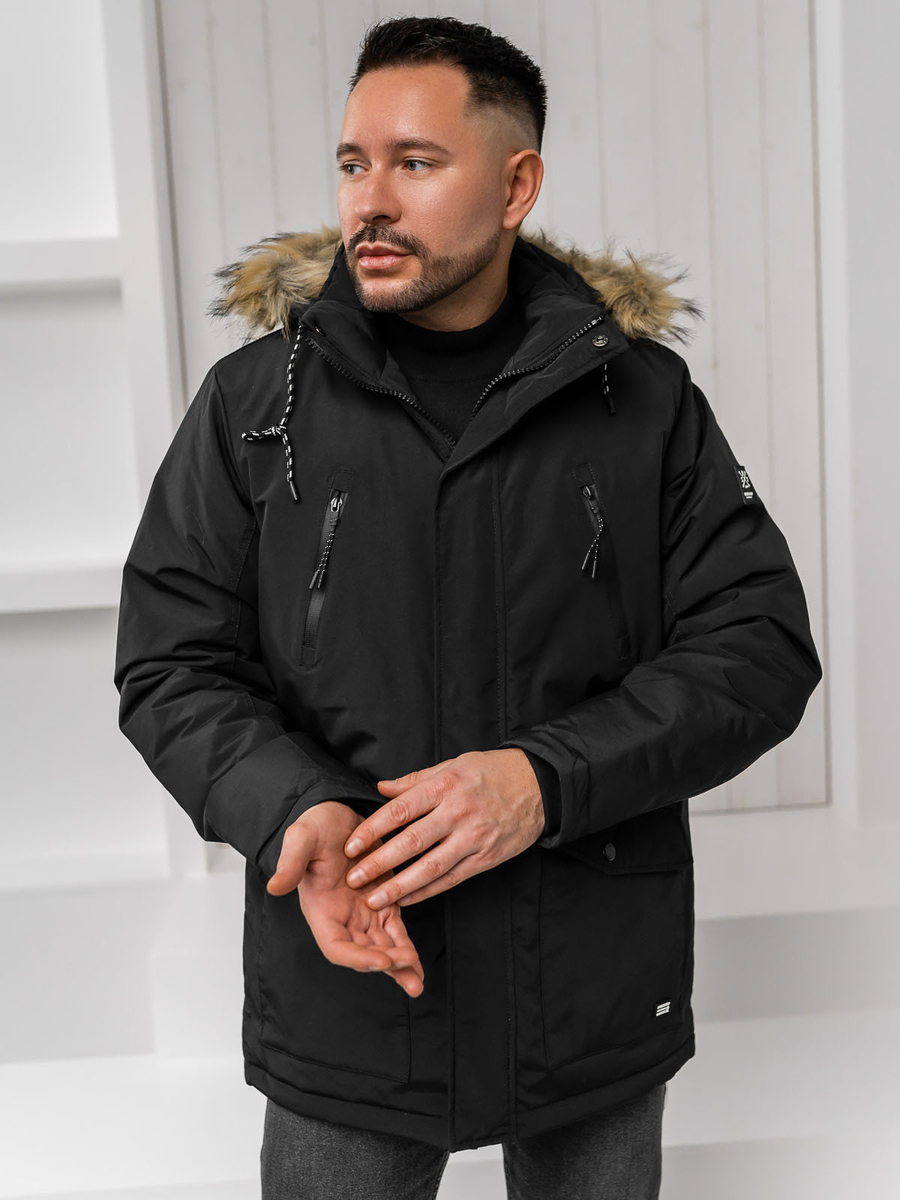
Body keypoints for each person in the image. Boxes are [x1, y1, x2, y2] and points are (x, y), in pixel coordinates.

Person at [113, 14, 823, 1199]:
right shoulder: (254, 407)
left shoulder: (642, 403)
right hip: (353, 982)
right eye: (354, 162)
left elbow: (758, 649)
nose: (372, 200)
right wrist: (295, 814)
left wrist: (545, 780)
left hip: (588, 986)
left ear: (516, 185)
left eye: (417, 162)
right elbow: (169, 663)